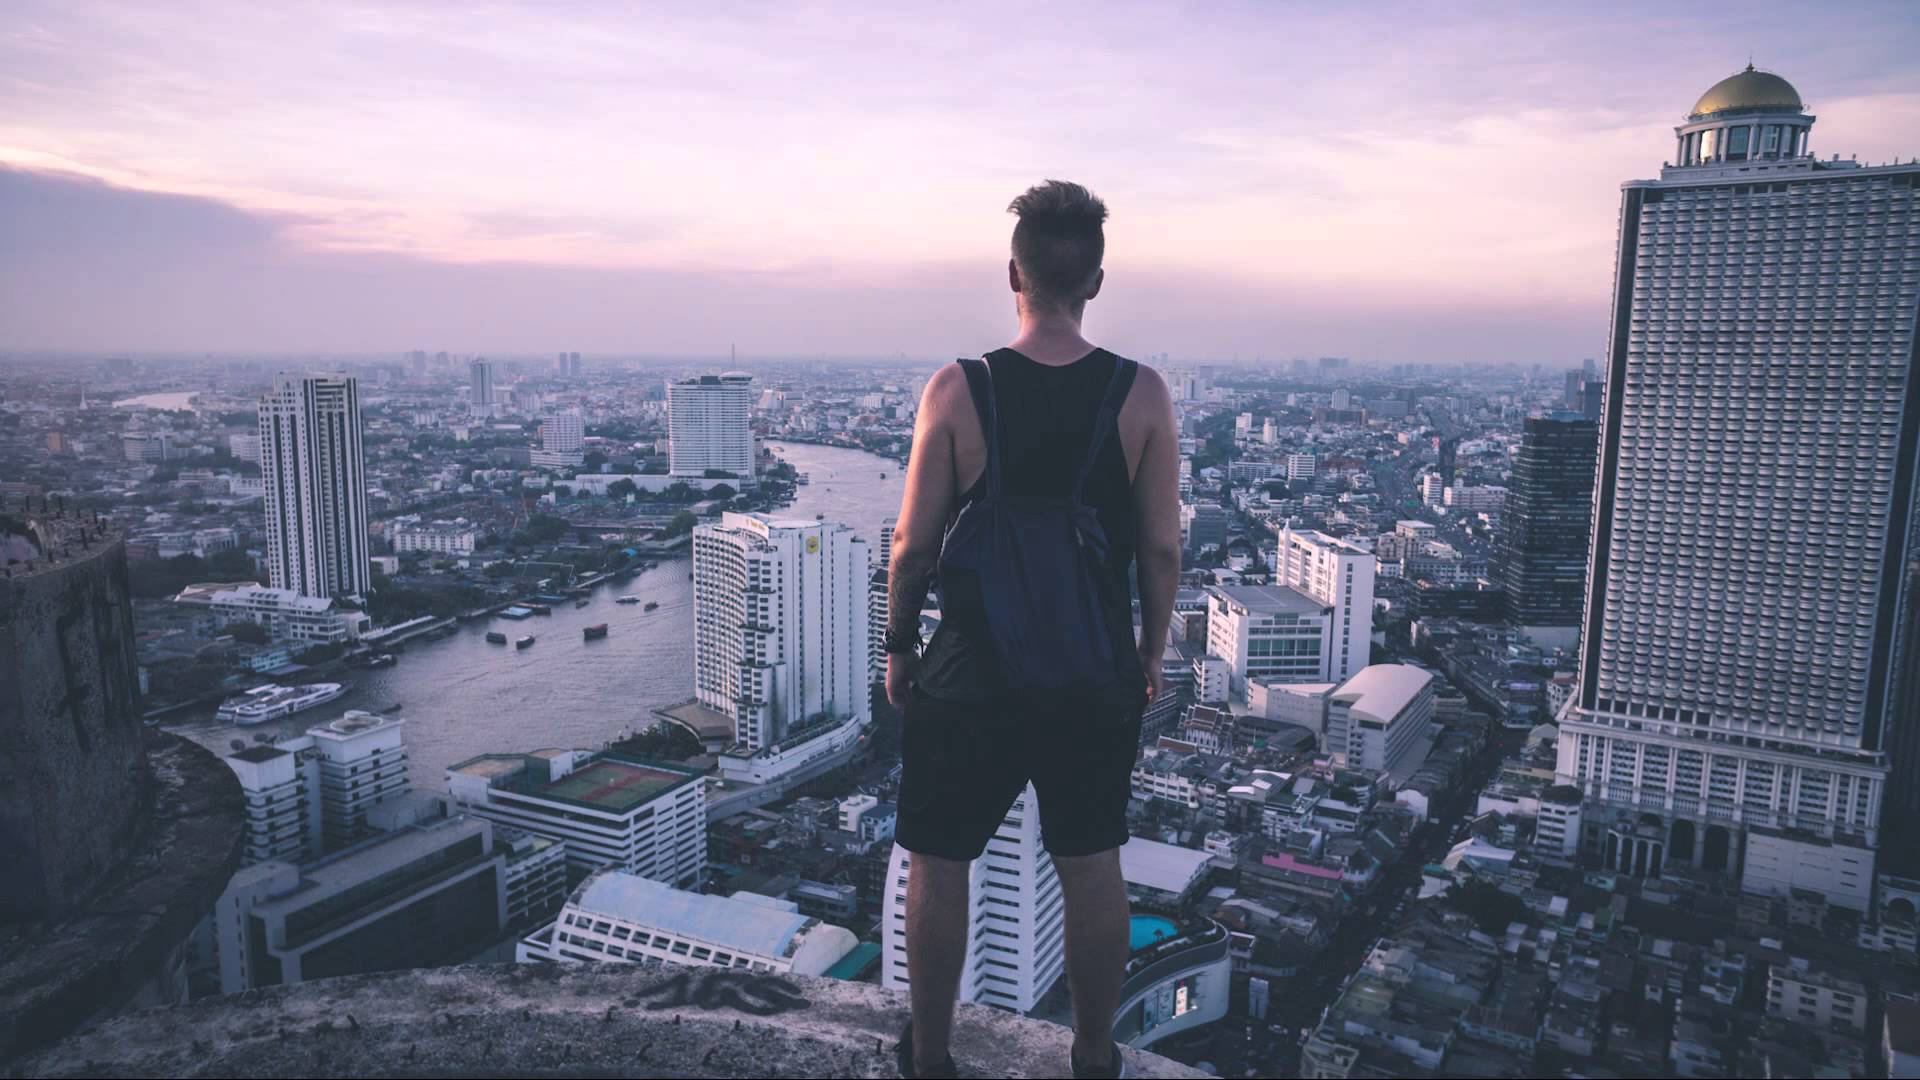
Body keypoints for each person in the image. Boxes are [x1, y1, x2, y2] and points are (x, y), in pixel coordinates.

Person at [883, 180, 1181, 1080]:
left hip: (971, 666)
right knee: (1091, 862)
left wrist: (899, 647)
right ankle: (1094, 1055)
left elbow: (911, 547)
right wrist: (1149, 651)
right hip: (1091, 669)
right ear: (1096, 280)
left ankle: (932, 1057)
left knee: (940, 858)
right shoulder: (1140, 395)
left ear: (1012, 273)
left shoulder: (958, 388)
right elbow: (1162, 547)